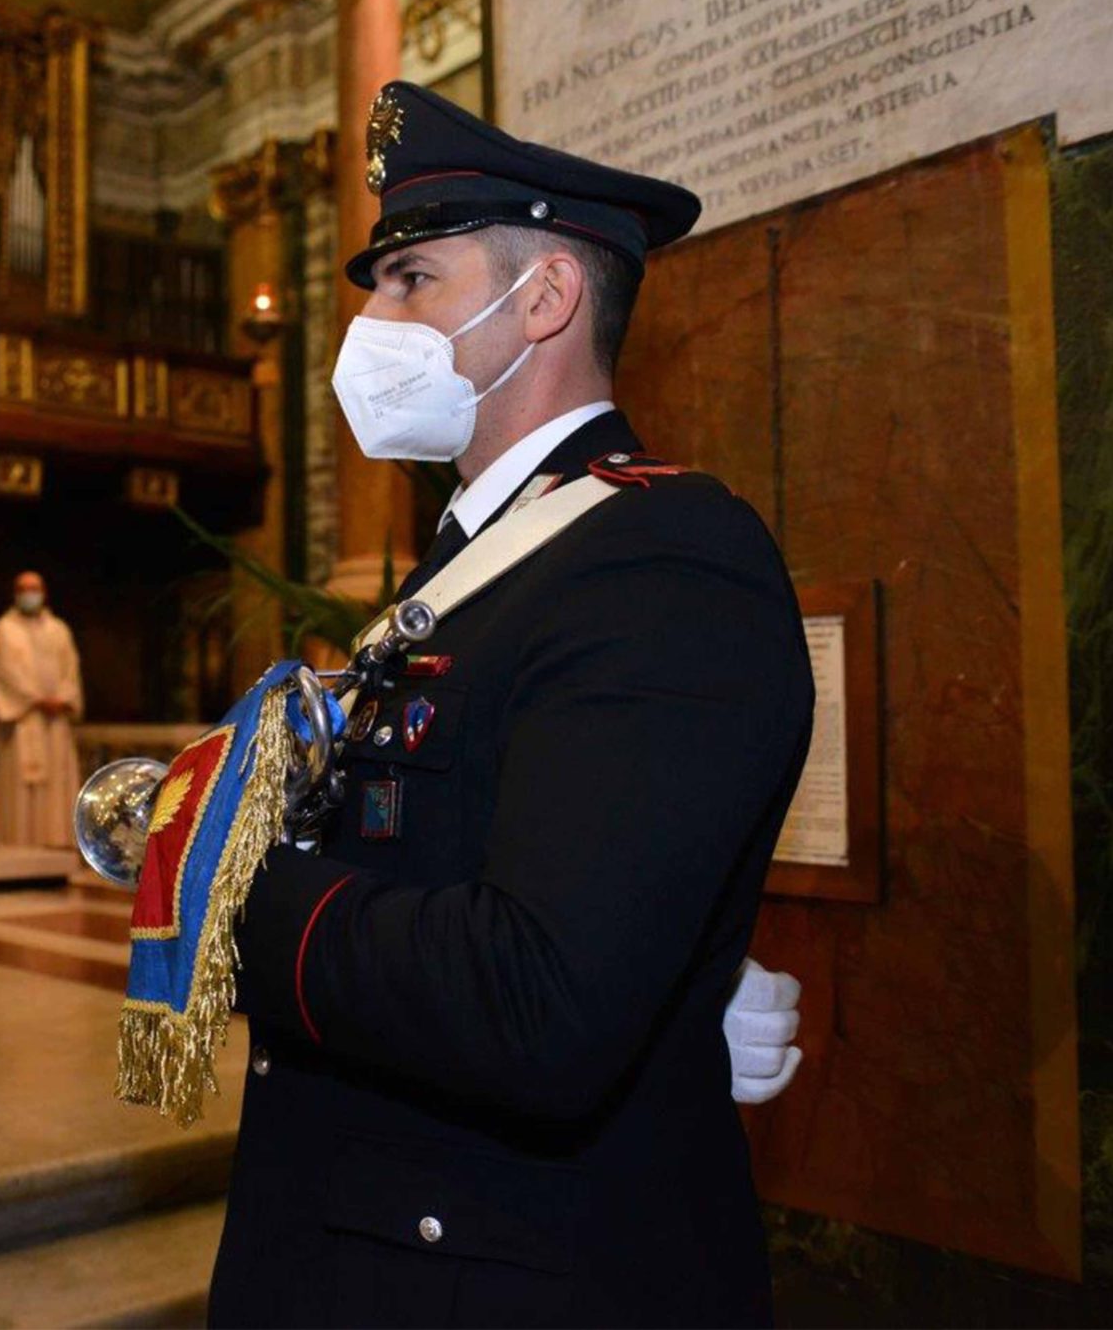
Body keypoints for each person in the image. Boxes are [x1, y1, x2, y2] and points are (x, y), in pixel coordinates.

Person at [210, 81, 817, 1326]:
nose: (370, 324)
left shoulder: (659, 559)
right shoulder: (479, 563)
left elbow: (534, 1001)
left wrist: (224, 886)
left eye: (410, 280)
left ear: (542, 299)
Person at [0, 571, 85, 848]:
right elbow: (5, 673)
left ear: (44, 593)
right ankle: (19, 846)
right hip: (23, 720)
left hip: (55, 721)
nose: (30, 594)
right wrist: (37, 699)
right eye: (24, 589)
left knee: (57, 784)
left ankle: (57, 844)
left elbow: (71, 671)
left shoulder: (59, 630)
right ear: (15, 593)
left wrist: (62, 698)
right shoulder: (4, 630)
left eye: (35, 588)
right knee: (22, 788)